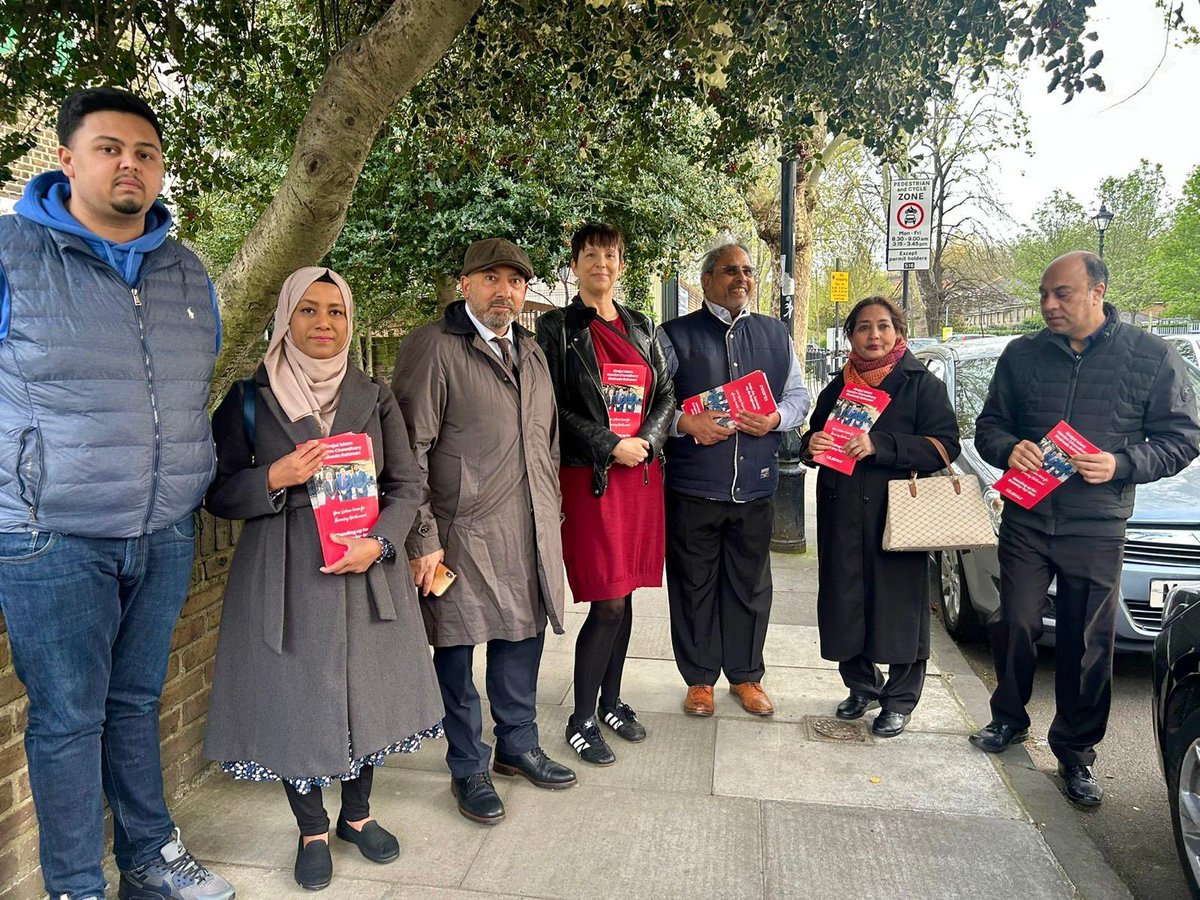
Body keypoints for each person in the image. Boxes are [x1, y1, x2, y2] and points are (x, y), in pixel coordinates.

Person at [0, 88, 234, 900]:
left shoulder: (184, 268)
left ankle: (150, 860)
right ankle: (74, 885)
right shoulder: (10, 253)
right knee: (68, 720)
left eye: (145, 151)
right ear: (67, 159)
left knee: (136, 702)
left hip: (163, 527)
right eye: (108, 148)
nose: (128, 163)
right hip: (49, 534)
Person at [204, 267, 444, 890]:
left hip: (365, 566)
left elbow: (408, 485)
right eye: (308, 310)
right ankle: (311, 828)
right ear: (286, 317)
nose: (323, 324)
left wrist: (382, 542)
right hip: (284, 573)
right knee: (295, 698)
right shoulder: (250, 399)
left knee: (364, 695)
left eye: (335, 312)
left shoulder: (375, 394)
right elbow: (219, 493)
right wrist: (274, 476)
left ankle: (357, 818)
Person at [969, 251, 1200, 805]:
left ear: (1098, 291)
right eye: (1045, 294)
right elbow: (989, 427)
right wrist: (1009, 449)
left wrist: (1121, 465)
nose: (1048, 304)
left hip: (1097, 524)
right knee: (1016, 619)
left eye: (1062, 294)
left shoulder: (1150, 356)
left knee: (1086, 641)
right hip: (1027, 515)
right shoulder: (1021, 355)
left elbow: (1183, 439)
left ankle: (1076, 754)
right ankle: (1008, 718)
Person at [392, 237, 576, 825]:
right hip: (458, 532)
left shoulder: (532, 350)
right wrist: (422, 536)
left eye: (516, 281)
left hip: (526, 526)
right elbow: (408, 451)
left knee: (521, 636)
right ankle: (468, 763)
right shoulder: (434, 347)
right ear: (465, 284)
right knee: (455, 645)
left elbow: (546, 443)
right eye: (492, 278)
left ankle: (517, 747)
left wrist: (552, 515)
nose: (506, 291)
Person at [535, 223, 674, 765]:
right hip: (590, 476)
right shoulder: (555, 328)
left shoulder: (642, 326)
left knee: (629, 591)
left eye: (610, 255)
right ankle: (581, 717)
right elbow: (547, 406)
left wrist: (646, 439)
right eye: (590, 254)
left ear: (621, 264)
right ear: (575, 265)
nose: (601, 263)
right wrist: (607, 442)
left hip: (638, 473)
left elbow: (665, 392)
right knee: (609, 599)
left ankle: (612, 701)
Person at [659, 241, 811, 717]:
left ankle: (746, 677)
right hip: (693, 486)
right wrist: (685, 422)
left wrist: (775, 420)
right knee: (693, 585)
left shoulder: (775, 334)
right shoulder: (673, 336)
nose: (741, 278)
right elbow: (651, 408)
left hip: (756, 486)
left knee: (750, 586)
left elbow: (799, 398)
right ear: (707, 280)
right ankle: (700, 680)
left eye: (746, 271)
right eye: (730, 270)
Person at [799, 297, 960, 738]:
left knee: (900, 607)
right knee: (845, 602)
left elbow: (946, 445)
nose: (874, 336)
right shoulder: (838, 386)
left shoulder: (920, 384)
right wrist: (810, 445)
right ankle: (861, 685)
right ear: (850, 335)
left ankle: (900, 700)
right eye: (864, 327)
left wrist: (881, 445)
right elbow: (814, 433)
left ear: (898, 332)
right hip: (842, 512)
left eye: (883, 326)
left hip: (898, 515)